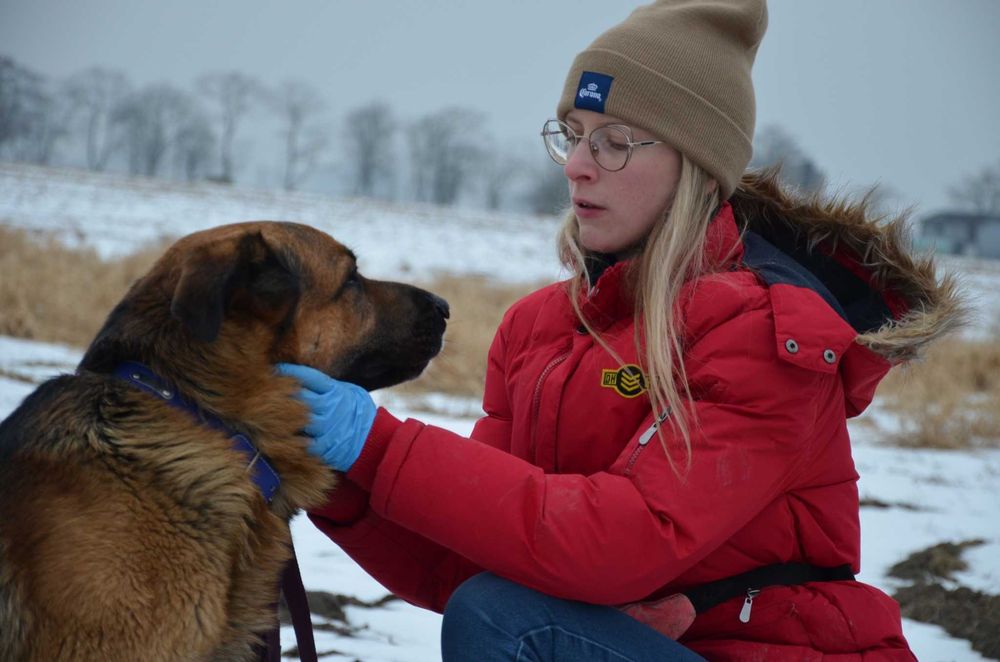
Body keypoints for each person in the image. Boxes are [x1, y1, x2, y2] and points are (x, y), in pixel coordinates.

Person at [277, 1, 961, 659]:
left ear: (695, 164)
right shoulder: (536, 329)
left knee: (510, 623)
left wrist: (381, 443)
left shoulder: (767, 332)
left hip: (767, 653)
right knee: (497, 603)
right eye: (572, 135)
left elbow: (618, 544)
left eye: (614, 142)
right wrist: (333, 470)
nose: (577, 164)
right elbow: (466, 561)